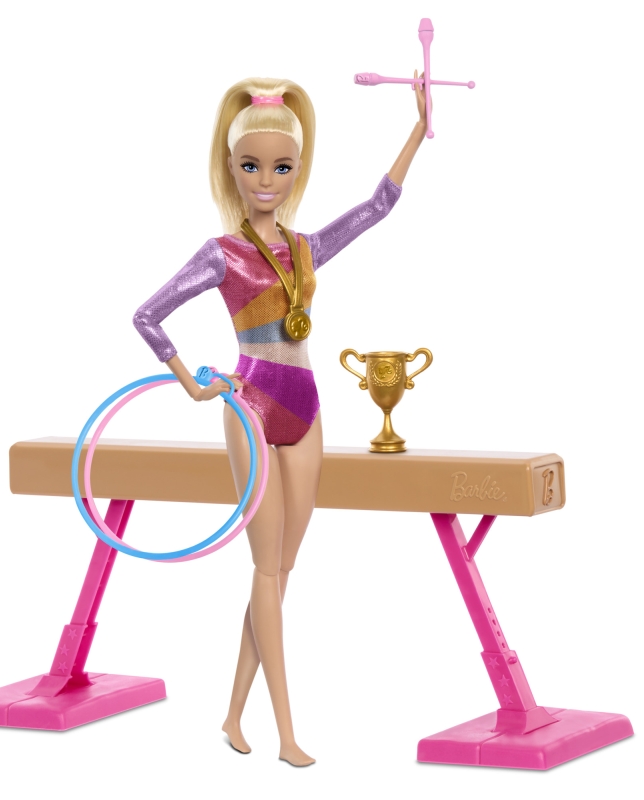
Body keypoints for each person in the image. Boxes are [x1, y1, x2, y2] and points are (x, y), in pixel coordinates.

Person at [133, 75, 428, 766]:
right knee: (267, 570)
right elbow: (146, 315)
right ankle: (286, 734)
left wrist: (419, 127)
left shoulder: (304, 248)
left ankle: (234, 715)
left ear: (298, 168)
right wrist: (192, 384)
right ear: (231, 168)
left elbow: (379, 206)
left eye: (282, 167)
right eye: (252, 166)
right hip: (251, 403)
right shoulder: (221, 253)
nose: (267, 181)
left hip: (307, 405)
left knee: (280, 572)